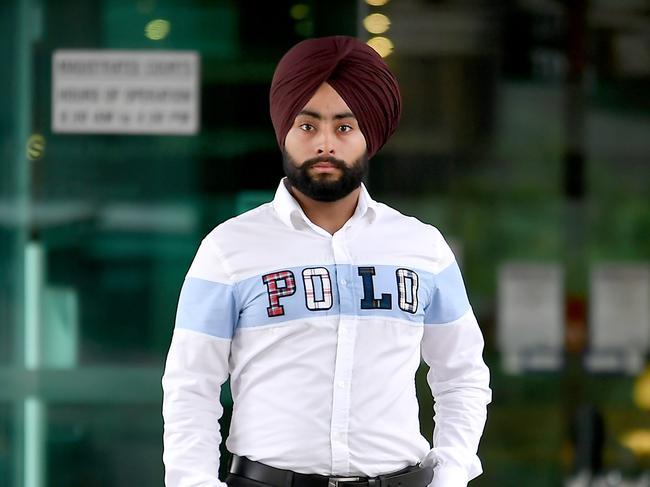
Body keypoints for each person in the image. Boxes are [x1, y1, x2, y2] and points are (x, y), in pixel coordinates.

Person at [162, 35, 491, 487]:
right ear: (286, 130)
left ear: (367, 135)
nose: (324, 144)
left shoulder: (424, 249)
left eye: (344, 127)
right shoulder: (228, 250)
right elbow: (191, 387)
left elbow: (462, 375)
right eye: (307, 125)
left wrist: (451, 472)